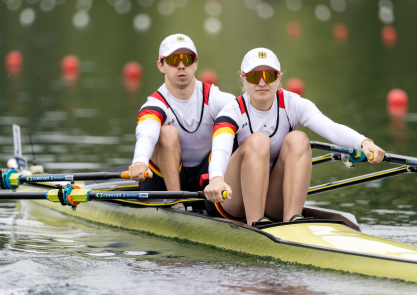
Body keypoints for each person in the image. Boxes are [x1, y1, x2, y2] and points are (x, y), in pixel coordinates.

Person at [204, 48, 385, 226]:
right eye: (253, 76)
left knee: (299, 139)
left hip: (272, 200)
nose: (261, 83)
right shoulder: (232, 111)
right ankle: (255, 223)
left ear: (279, 78)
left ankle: (292, 220)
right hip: (231, 199)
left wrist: (364, 142)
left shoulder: (293, 104)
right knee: (259, 141)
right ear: (243, 79)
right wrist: (216, 178)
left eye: (269, 76)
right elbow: (221, 147)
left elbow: (331, 128)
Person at [129, 34, 235, 196]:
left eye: (187, 59)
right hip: (161, 182)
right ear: (161, 65)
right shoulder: (156, 104)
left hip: (206, 176)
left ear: (195, 63)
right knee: (167, 132)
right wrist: (140, 160)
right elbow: (146, 133)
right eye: (173, 60)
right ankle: (176, 203)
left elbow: (246, 112)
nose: (181, 66)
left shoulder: (214, 97)